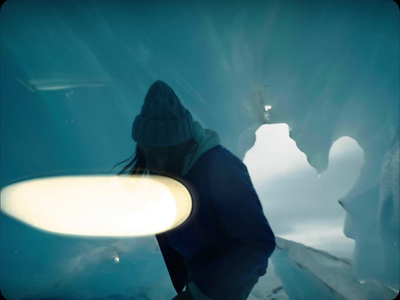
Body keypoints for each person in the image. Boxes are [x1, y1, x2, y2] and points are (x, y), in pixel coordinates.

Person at [120, 80, 276, 300]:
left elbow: (257, 243)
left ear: (180, 146)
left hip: (227, 284)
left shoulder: (221, 168)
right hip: (200, 281)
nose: (151, 161)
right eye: (146, 151)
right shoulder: (167, 175)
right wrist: (187, 288)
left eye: (159, 152)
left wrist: (198, 294)